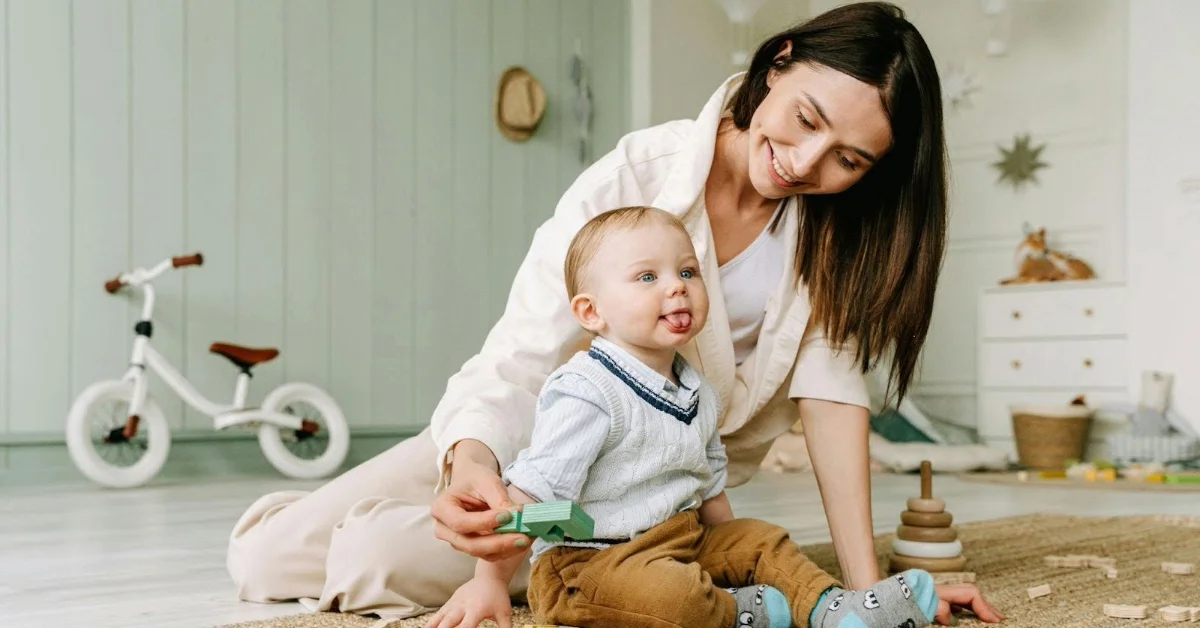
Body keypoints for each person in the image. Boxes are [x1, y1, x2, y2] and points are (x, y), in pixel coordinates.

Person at [227, 1, 1001, 622]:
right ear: (779, 62)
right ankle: (391, 510)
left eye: (847, 160)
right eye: (805, 119)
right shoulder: (637, 175)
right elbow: (521, 355)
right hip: (533, 435)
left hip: (643, 500)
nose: (805, 162)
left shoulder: (838, 242)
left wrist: (868, 594)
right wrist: (472, 465)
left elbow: (832, 403)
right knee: (262, 558)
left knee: (372, 560)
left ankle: (585, 561)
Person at [421, 206, 1003, 628]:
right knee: (672, 598)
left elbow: (707, 484)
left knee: (763, 540)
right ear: (591, 312)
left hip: (677, 538)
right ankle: (737, 613)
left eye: (687, 272)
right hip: (590, 563)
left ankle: (835, 609)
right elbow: (532, 499)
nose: (676, 288)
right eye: (647, 277)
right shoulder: (587, 391)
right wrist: (489, 582)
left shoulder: (695, 386)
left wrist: (734, 551)